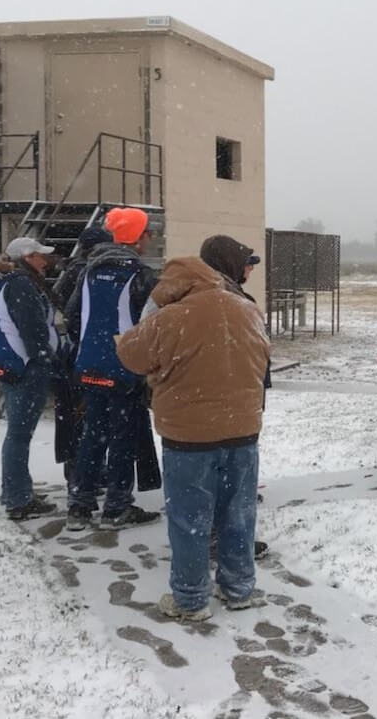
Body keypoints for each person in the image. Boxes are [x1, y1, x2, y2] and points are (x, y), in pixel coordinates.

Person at [116, 255, 271, 621]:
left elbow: (131, 355)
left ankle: (190, 599)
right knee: (239, 514)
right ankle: (238, 588)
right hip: (243, 432)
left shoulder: (170, 318)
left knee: (190, 520)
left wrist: (151, 313)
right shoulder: (248, 310)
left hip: (189, 439)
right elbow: (264, 356)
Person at [64, 207, 160, 530]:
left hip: (90, 365)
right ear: (136, 237)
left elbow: (73, 315)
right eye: (148, 233)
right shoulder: (141, 276)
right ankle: (117, 506)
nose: (151, 238)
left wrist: (90, 348)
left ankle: (80, 504)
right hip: (125, 369)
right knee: (123, 438)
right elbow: (152, 326)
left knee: (93, 434)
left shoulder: (89, 271)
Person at [199, 235, 272, 560]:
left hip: (230, 397)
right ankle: (223, 544)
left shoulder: (225, 294)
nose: (250, 270)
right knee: (225, 472)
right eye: (246, 264)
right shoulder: (223, 298)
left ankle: (215, 538)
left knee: (220, 472)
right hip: (226, 399)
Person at [0, 237, 61, 520]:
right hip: (25, 367)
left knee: (17, 433)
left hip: (11, 363)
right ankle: (19, 499)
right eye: (40, 256)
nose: (45, 261)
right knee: (19, 434)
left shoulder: (4, 281)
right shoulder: (20, 285)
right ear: (27, 257)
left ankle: (16, 489)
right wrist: (45, 359)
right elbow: (32, 328)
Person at [52, 225, 113, 496]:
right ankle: (82, 476)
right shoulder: (86, 272)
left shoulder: (72, 270)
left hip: (73, 354)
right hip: (83, 355)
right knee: (84, 419)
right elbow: (75, 316)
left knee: (79, 419)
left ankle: (83, 474)